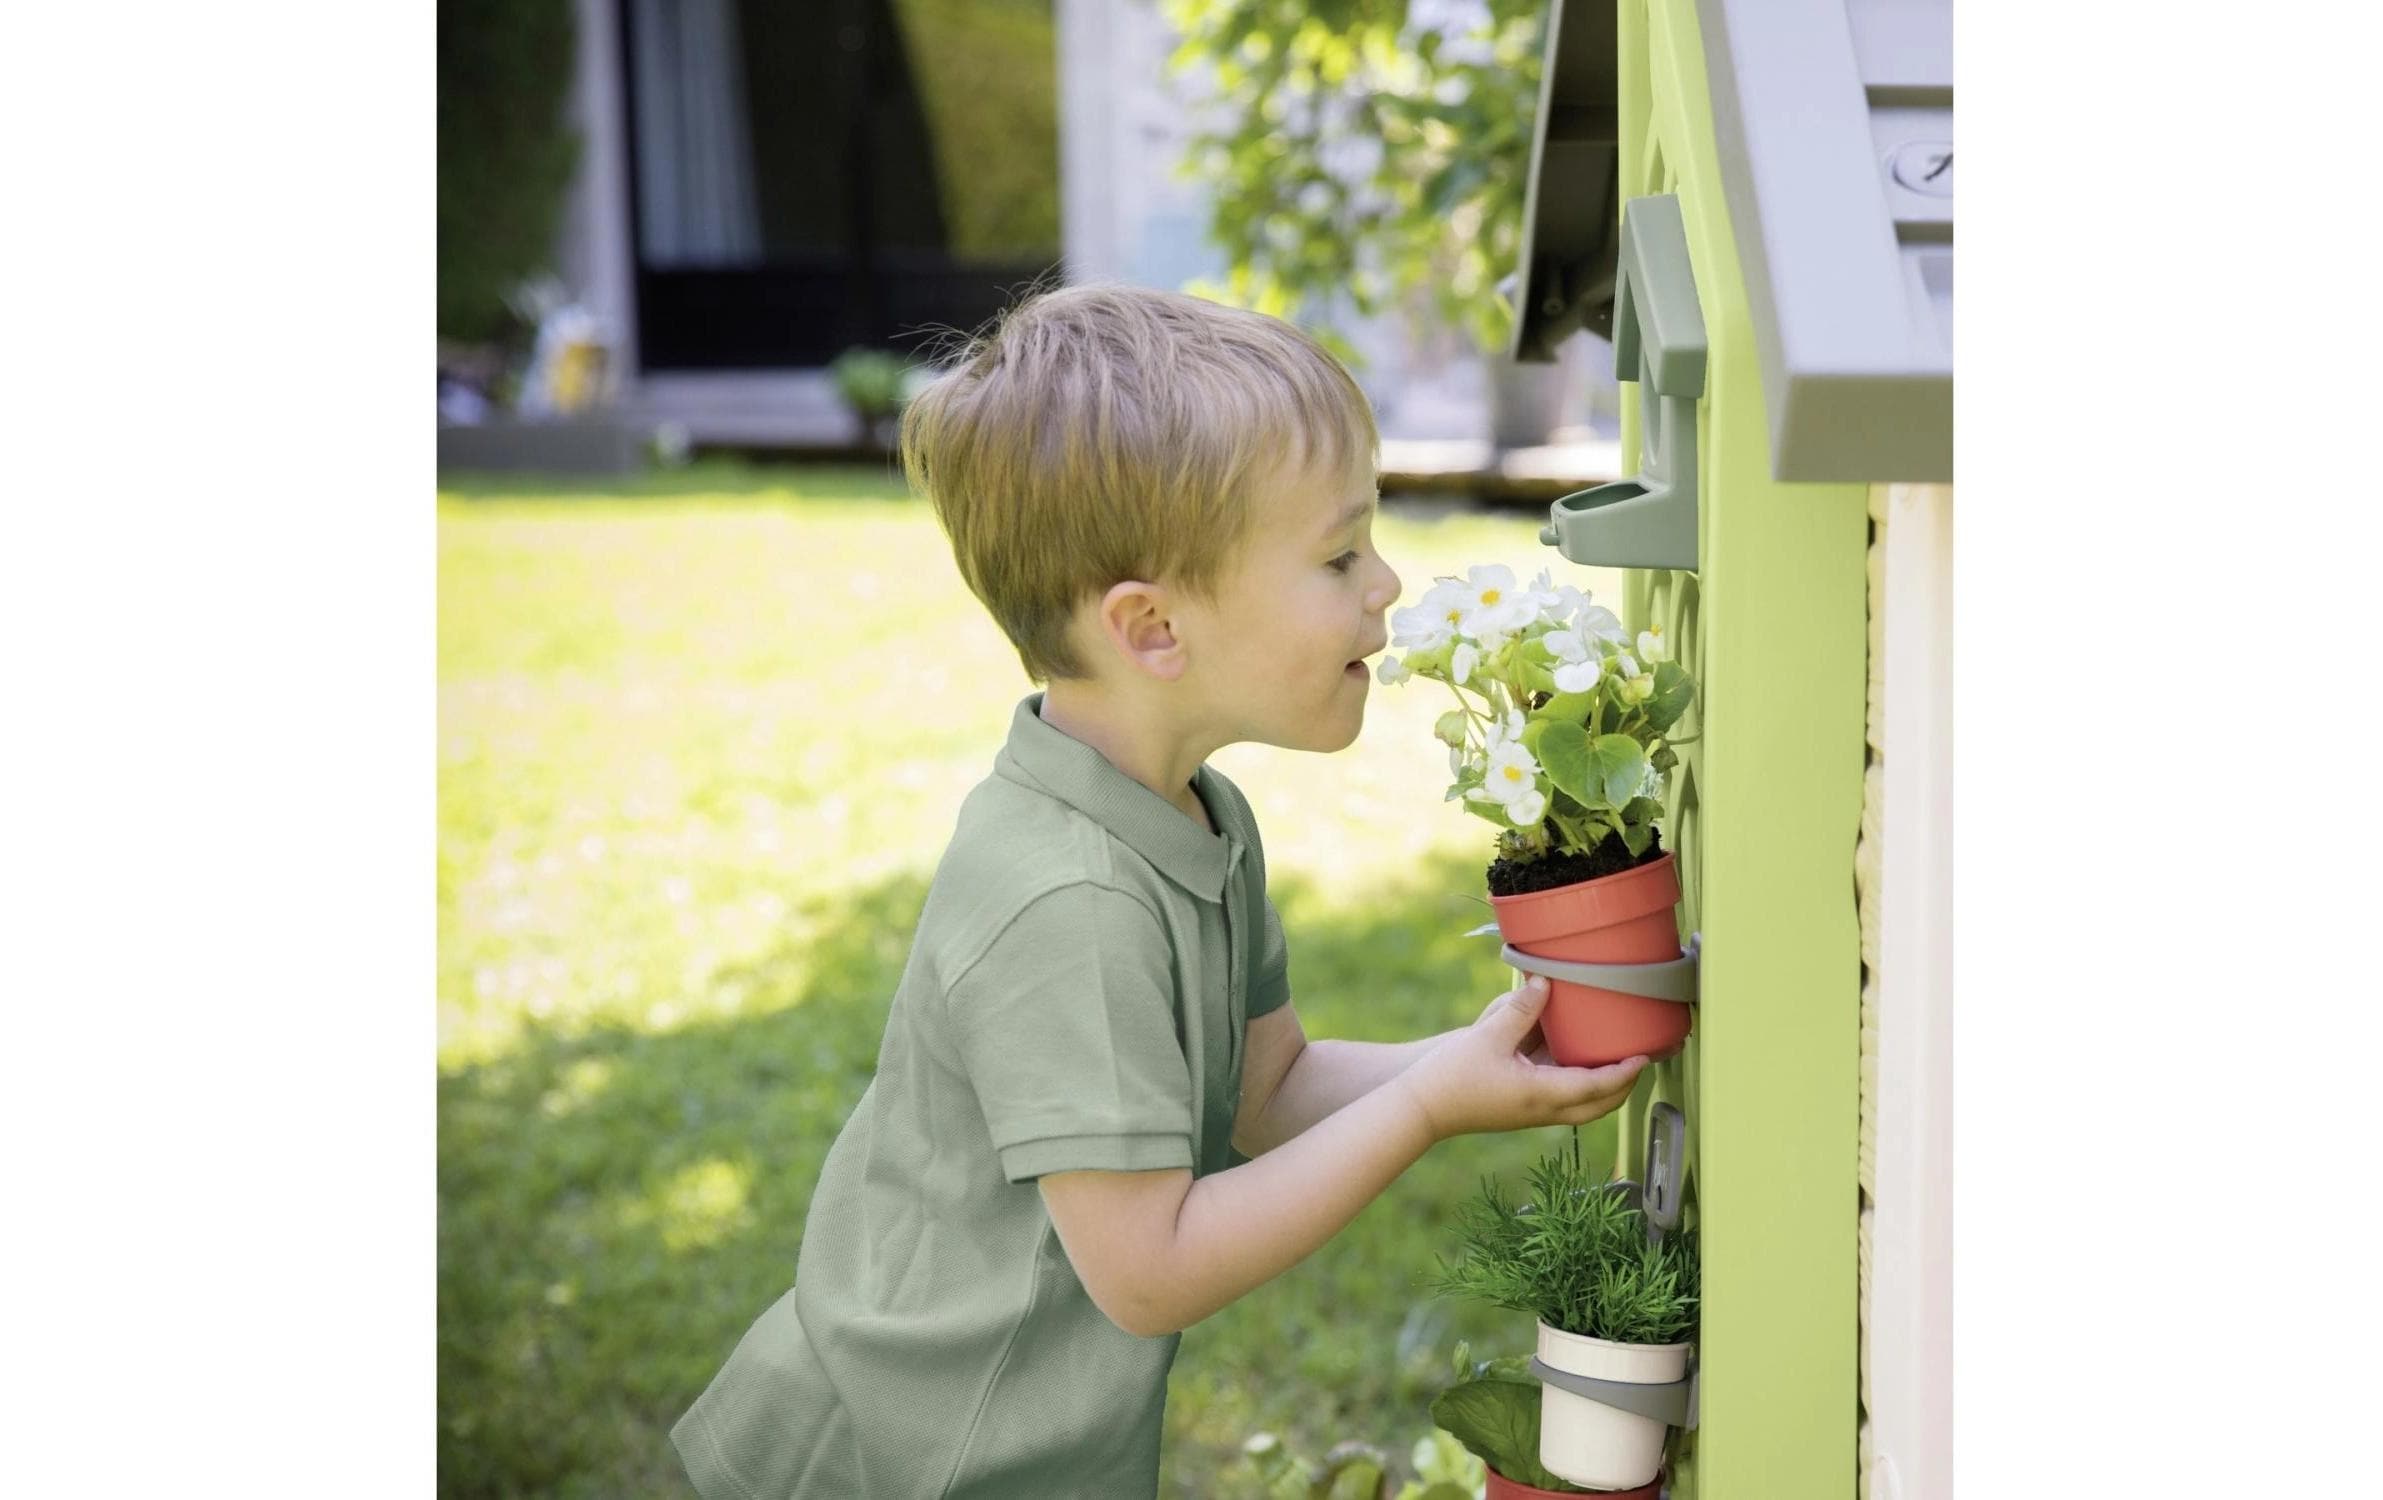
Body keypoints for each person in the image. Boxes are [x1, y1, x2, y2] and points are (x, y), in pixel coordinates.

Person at [670, 282, 1649, 1500]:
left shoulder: (1193, 817)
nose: (1385, 584)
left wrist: (1478, 1055)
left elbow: (1267, 1091)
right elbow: (1149, 1271)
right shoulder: (1066, 902)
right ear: (1152, 629)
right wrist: (1425, 1110)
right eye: (1339, 554)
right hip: (901, 1462)